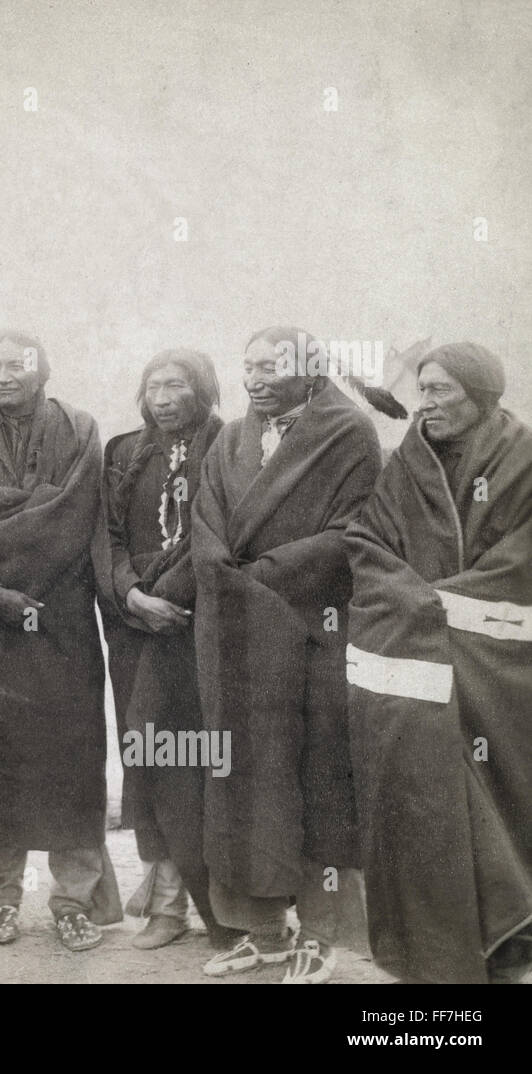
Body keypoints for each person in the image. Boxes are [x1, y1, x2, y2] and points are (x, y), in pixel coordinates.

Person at [192, 326, 388, 983]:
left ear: (310, 368)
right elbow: (207, 515)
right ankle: (265, 931)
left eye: (270, 366)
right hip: (236, 633)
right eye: (247, 366)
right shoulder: (230, 436)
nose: (253, 378)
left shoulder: (349, 433)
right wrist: (223, 572)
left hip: (310, 628)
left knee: (316, 779)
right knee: (246, 780)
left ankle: (322, 933)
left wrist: (266, 574)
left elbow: (356, 530)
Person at [346, 343, 532, 984]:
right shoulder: (405, 466)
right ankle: (439, 957)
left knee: (501, 800)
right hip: (416, 667)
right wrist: (416, 607)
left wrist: (446, 605)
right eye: (422, 390)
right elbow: (368, 541)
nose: (425, 404)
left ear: (481, 396)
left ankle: (510, 944)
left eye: (442, 391)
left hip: (498, 669)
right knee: (424, 802)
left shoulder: (525, 459)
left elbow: (522, 560)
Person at [0, 331, 121, 953]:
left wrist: (10, 532)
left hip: (62, 616)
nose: (5, 376)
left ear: (43, 369)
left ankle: (73, 901)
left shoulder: (79, 428)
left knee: (73, 758)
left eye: (18, 365)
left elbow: (73, 513)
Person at [100, 348, 236, 950]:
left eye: (176, 384)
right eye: (153, 385)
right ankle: (165, 902)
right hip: (135, 628)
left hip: (199, 628)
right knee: (147, 759)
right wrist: (131, 595)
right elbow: (104, 535)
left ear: (202, 389)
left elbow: (220, 531)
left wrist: (168, 598)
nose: (162, 396)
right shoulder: (125, 451)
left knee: (201, 765)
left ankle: (222, 904)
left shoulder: (229, 444)